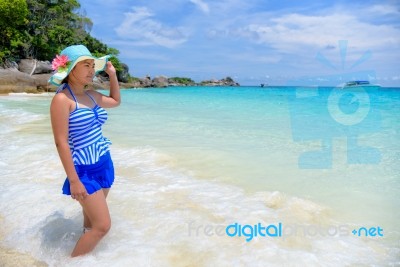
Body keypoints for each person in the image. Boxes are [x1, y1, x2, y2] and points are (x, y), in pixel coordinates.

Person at [49, 44, 121, 257]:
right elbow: (61, 142)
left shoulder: (91, 95)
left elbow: (116, 101)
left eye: (93, 65)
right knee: (103, 226)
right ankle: (69, 262)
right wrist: (73, 180)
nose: (91, 70)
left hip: (103, 162)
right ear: (70, 69)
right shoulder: (62, 99)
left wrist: (113, 75)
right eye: (86, 65)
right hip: (83, 170)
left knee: (91, 223)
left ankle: (86, 259)